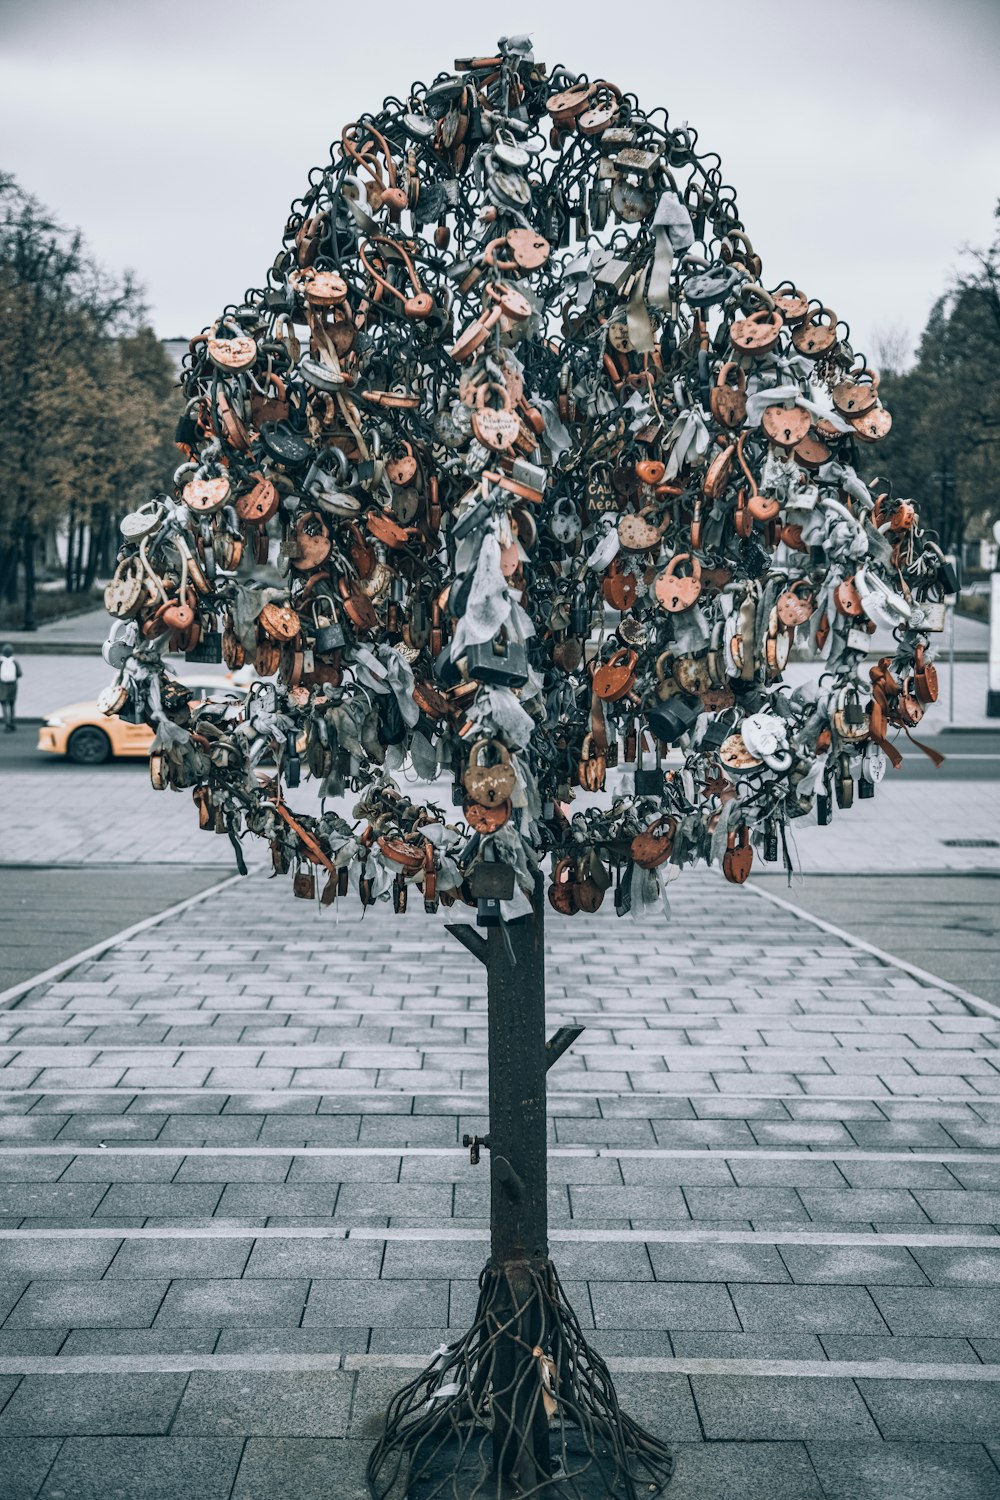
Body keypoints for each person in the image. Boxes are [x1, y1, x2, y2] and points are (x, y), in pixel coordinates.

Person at [0, 644, 21, 732]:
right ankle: (12, 722)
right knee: (12, 705)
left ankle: (7, 723)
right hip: (13, 685)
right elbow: (19, 674)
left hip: (2, 686)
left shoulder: (1, 662)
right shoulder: (15, 662)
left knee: (4, 705)